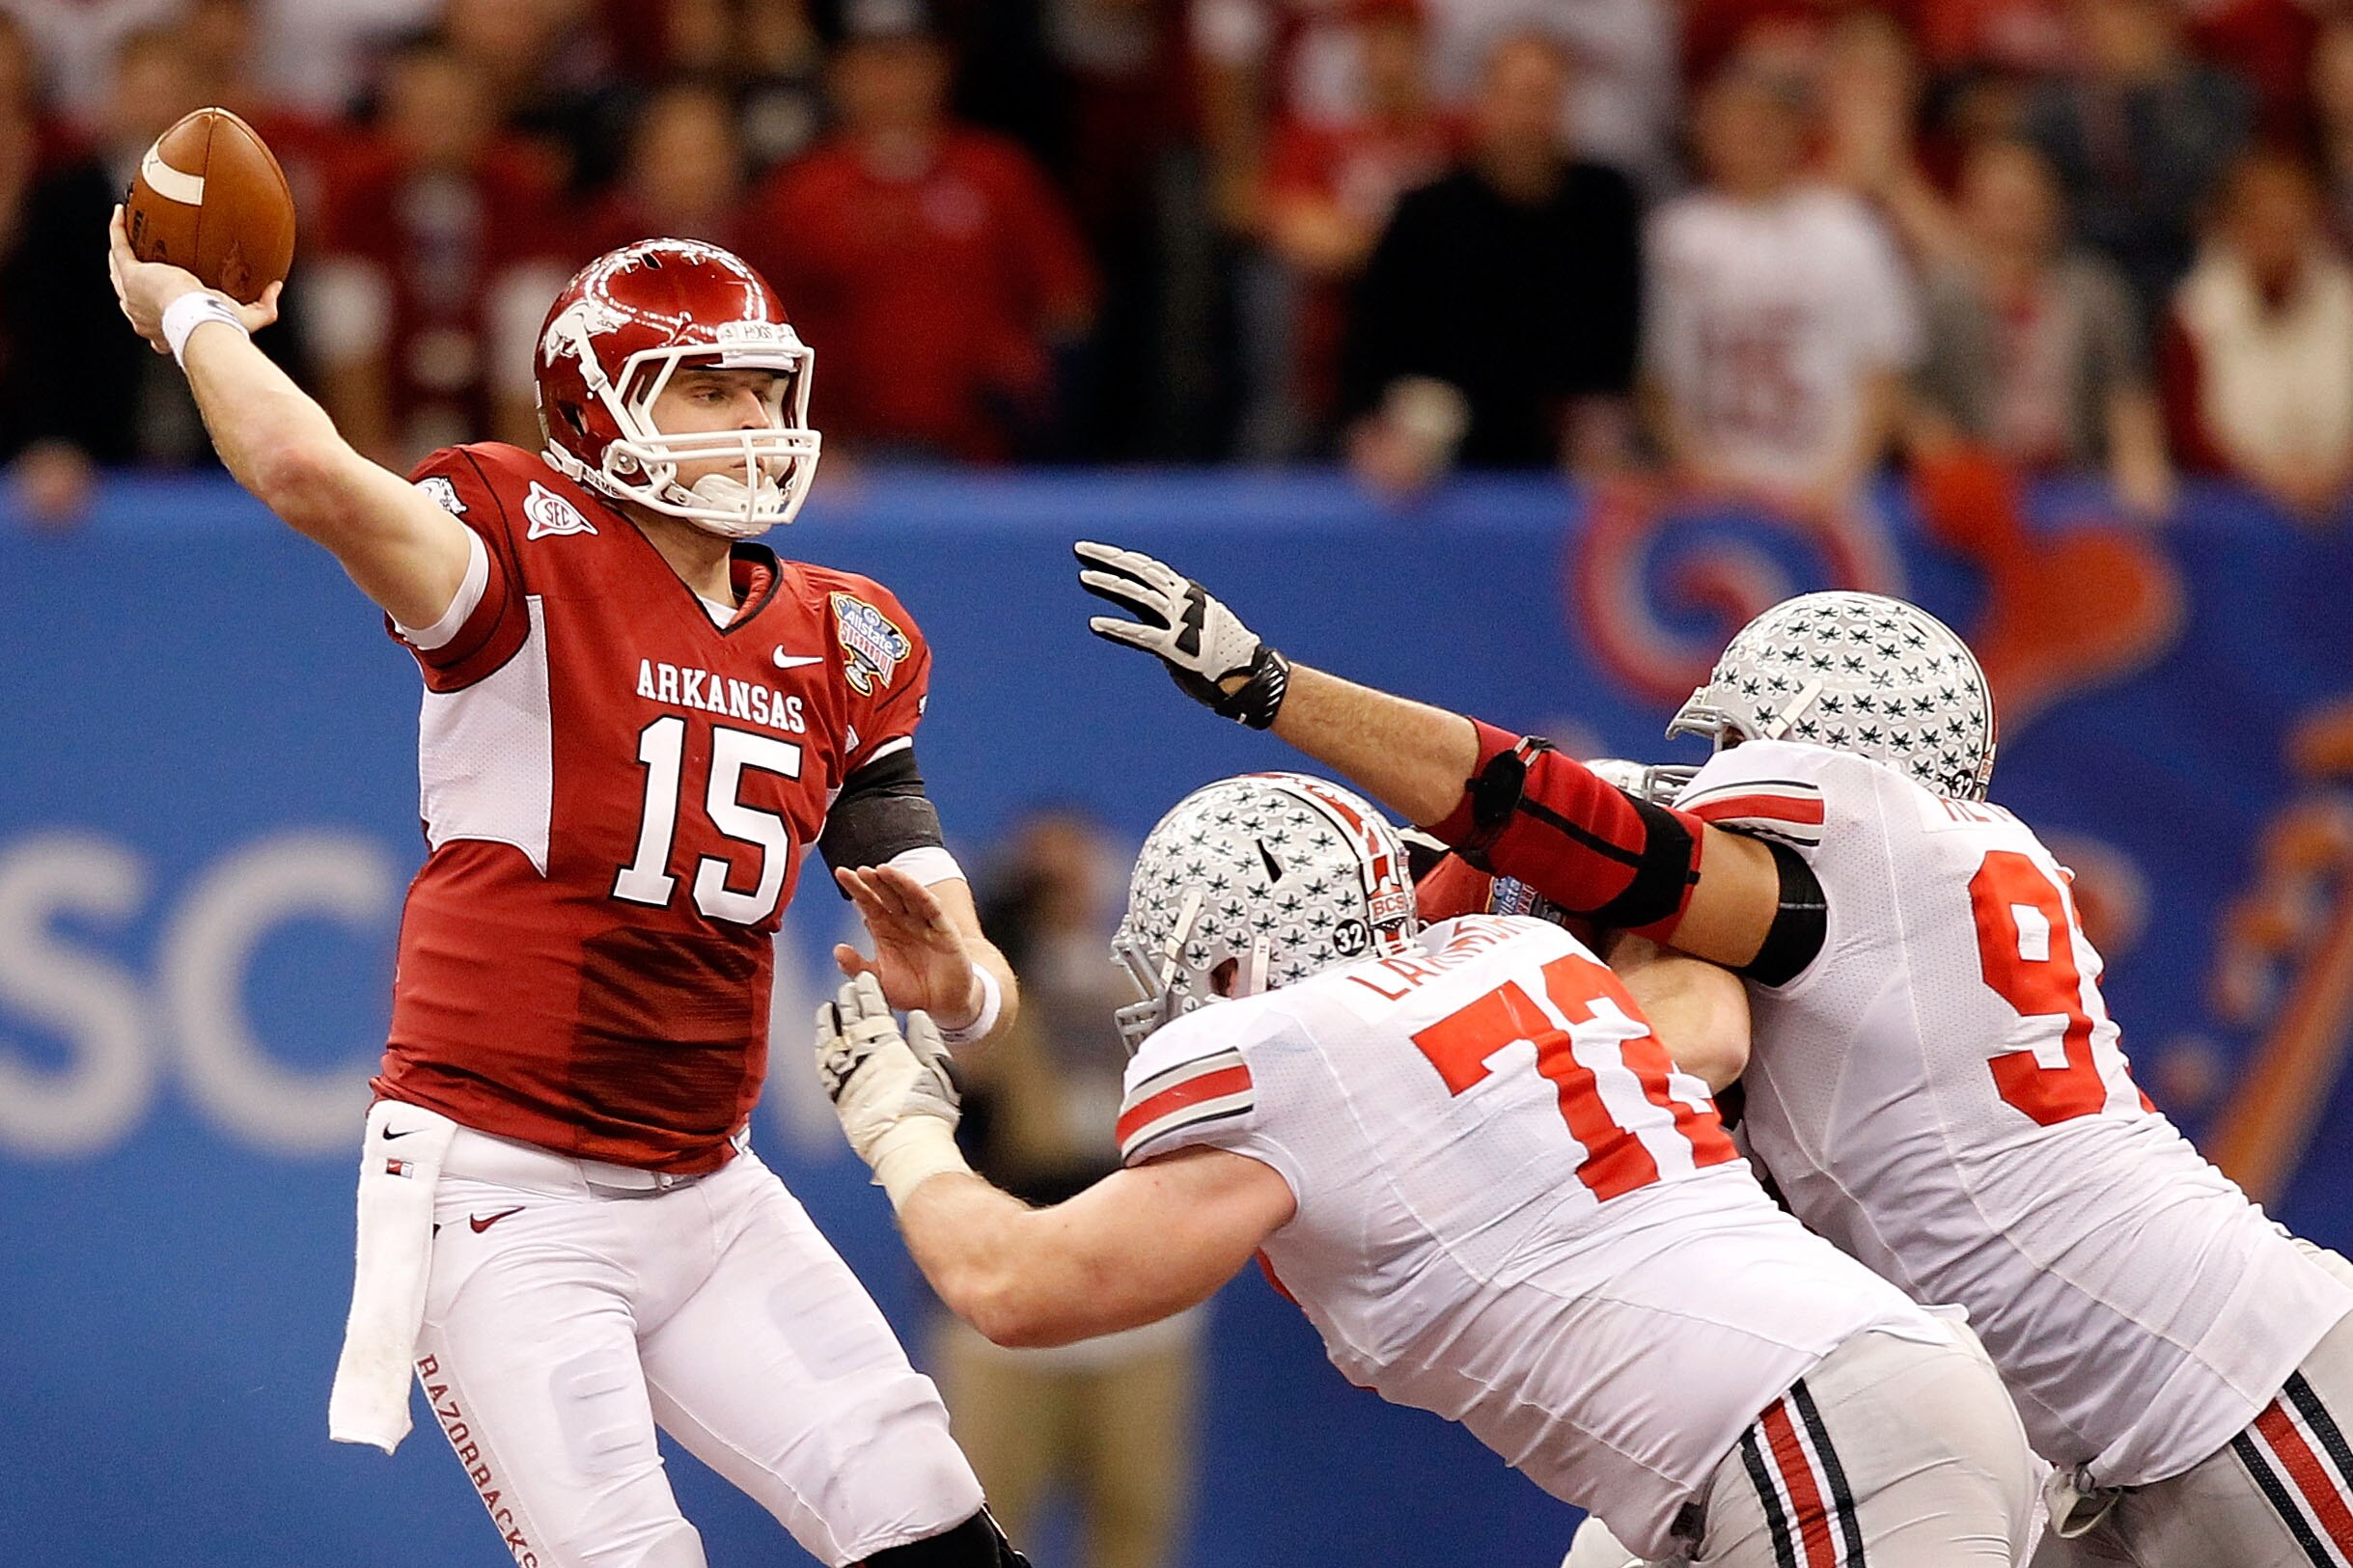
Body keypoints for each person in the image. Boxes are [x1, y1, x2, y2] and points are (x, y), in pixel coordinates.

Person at [1071, 540, 2353, 1567]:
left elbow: (1575, 828)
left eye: (1732, 747)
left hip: (2231, 1394)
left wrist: (1283, 695)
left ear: (1818, 739)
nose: (1710, 772)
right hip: (2119, 1424)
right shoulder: (1920, 892)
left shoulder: (1858, 856)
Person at [106, 219, 1034, 1568]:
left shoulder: (842, 632)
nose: (754, 421)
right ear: (601, 402)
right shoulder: (517, 544)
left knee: (935, 1535)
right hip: (501, 1189)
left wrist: (965, 985)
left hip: (711, 1192)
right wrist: (192, 315)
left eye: (766, 389)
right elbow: (307, 469)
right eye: (709, 388)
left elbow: (919, 874)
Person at [816, 772, 2039, 1566]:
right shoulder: (1516, 962)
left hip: (1806, 1434)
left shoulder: (1292, 1050)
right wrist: (1611, 858)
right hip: (1851, 1403)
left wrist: (895, 1118)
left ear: (1235, 966)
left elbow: (1017, 1283)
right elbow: (1705, 1013)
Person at [1339, 31, 1641, 491]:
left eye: (1543, 98)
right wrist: (1376, 431)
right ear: (1483, 103)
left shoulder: (1605, 203)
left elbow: (1620, 335)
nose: (1528, 117)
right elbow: (1374, 342)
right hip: (1437, 447)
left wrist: (1602, 420)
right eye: (1515, 97)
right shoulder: (1425, 213)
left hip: (1567, 443)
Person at [1641, 66, 1921, 514]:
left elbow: (1883, 368)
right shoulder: (1675, 235)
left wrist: (1840, 477)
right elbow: (1656, 381)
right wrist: (1698, 468)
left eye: (1768, 121)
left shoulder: (1849, 229)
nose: (1753, 135)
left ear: (1797, 130)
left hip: (1830, 493)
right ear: (1708, 133)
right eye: (1738, 122)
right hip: (1711, 490)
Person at [2162, 149, 2353, 526]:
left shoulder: (2343, 298)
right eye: (2263, 220)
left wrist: (2336, 473)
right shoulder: (2196, 311)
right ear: (2233, 226)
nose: (2278, 233)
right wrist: (2274, 480)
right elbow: (2186, 434)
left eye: (2290, 220)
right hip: (2236, 517)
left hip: (2339, 505)